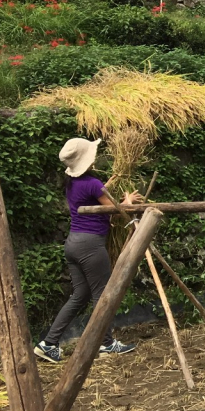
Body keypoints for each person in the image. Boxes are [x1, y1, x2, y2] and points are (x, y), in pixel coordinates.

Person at [35, 138, 141, 363]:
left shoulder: (72, 183)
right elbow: (117, 210)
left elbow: (98, 207)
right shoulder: (93, 183)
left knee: (80, 295)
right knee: (102, 294)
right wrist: (128, 200)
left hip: (73, 244)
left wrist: (108, 192)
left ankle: (48, 344)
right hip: (91, 245)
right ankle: (106, 343)